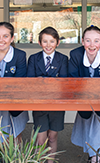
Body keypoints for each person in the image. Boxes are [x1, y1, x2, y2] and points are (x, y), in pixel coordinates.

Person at [69, 26, 100, 163]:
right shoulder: (75, 54)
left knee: (99, 131)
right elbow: (72, 79)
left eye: (96, 41)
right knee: (87, 129)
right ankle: (93, 157)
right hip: (84, 101)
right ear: (83, 41)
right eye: (88, 41)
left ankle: (96, 159)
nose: (92, 45)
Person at [27, 26, 68, 162]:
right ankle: (39, 160)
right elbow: (31, 81)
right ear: (39, 43)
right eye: (45, 41)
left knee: (52, 137)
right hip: (39, 104)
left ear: (57, 42)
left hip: (57, 104)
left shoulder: (63, 59)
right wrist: (52, 80)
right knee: (41, 138)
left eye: (52, 41)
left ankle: (50, 161)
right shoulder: (33, 58)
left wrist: (42, 80)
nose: (48, 45)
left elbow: (63, 81)